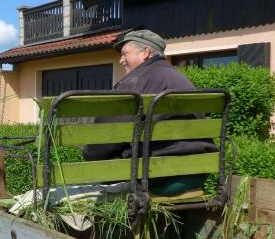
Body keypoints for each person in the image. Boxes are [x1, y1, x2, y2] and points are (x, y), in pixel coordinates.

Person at [83, 29, 217, 162]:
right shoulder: (180, 78)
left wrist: (89, 153)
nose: (121, 60)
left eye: (125, 54)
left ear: (145, 52)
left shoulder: (135, 81)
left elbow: (106, 137)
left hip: (153, 167)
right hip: (198, 163)